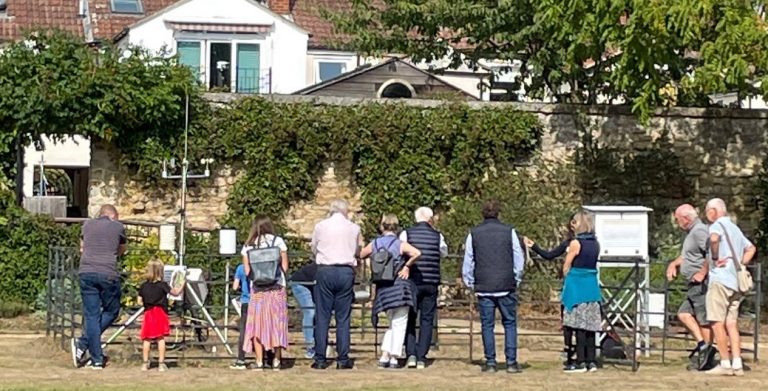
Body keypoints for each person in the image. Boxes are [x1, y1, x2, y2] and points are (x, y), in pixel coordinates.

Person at [462, 200, 524, 374]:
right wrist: (516, 278)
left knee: (487, 325)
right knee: (510, 323)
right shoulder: (509, 231)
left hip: (484, 284)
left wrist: (470, 281)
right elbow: (518, 258)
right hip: (506, 283)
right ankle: (511, 362)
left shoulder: (473, 233)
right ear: (498, 213)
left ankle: (490, 362)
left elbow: (468, 260)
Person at [361, 214, 422, 369]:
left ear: (382, 226)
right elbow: (417, 253)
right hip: (400, 286)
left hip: (384, 287)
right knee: (399, 323)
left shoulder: (375, 243)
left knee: (391, 323)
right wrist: (407, 266)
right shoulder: (400, 243)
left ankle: (385, 355)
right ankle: (394, 357)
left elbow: (361, 254)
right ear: (397, 227)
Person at [703, 198, 756, 376]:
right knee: (731, 324)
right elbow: (751, 248)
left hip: (720, 279)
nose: (706, 214)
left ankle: (725, 363)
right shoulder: (735, 228)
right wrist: (739, 264)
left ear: (713, 211)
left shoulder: (716, 226)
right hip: (735, 283)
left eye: (707, 210)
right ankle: (737, 363)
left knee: (717, 322)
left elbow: (714, 239)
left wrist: (716, 257)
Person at [71, 204, 127, 370]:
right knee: (112, 311)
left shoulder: (87, 224)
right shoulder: (118, 227)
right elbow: (122, 249)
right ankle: (88, 350)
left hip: (86, 271)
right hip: (108, 273)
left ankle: (92, 354)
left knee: (92, 316)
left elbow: (82, 248)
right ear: (112, 216)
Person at [310, 199, 363, 370]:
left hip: (325, 270)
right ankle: (342, 358)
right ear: (345, 211)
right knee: (343, 317)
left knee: (322, 316)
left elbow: (314, 248)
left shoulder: (320, 226)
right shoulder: (354, 228)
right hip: (346, 271)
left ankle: (320, 358)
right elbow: (357, 250)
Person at [523, 213, 577, 367]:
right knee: (566, 317)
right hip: (569, 284)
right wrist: (534, 246)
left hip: (582, 282)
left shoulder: (589, 243)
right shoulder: (567, 243)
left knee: (581, 319)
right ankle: (568, 349)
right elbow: (549, 255)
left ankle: (583, 352)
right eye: (572, 222)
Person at [665, 204, 714, 370]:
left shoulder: (699, 231)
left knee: (703, 320)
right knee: (684, 313)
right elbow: (686, 256)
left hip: (700, 284)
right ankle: (703, 345)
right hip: (693, 284)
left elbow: (712, 251)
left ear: (686, 219)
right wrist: (674, 264)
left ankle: (707, 356)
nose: (677, 223)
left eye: (678, 220)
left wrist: (702, 272)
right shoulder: (692, 233)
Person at [400, 206, 447, 369]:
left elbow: (401, 251)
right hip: (431, 281)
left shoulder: (407, 233)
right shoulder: (437, 236)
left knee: (410, 317)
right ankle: (422, 356)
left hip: (412, 281)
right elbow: (443, 253)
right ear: (430, 219)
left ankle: (410, 354)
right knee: (427, 319)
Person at [241, 216, 290, 371]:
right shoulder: (278, 242)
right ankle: (276, 360)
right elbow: (285, 267)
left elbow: (248, 271)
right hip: (277, 288)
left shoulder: (249, 245)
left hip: (258, 289)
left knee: (257, 325)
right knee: (277, 323)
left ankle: (259, 361)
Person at [560, 211, 602, 373]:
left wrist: (566, 276)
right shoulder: (596, 243)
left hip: (577, 287)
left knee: (578, 325)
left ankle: (580, 361)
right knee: (590, 325)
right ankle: (591, 361)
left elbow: (567, 264)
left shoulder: (577, 243)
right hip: (591, 286)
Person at [138, 260, 184, 372]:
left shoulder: (143, 286)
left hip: (148, 313)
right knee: (160, 338)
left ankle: (144, 364)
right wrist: (182, 283)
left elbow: (139, 301)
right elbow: (175, 292)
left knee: (146, 339)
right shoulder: (163, 285)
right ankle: (161, 363)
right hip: (160, 313)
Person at [288, 262, 319, 359]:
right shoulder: (324, 267)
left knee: (317, 312)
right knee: (310, 312)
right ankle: (310, 346)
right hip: (300, 284)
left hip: (310, 284)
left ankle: (318, 343)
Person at [229, 261, 251, 370]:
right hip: (260, 301)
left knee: (244, 331)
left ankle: (241, 359)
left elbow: (234, 286)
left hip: (246, 301)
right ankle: (266, 358)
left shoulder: (241, 268)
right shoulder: (261, 265)